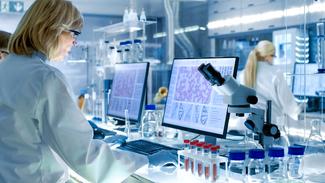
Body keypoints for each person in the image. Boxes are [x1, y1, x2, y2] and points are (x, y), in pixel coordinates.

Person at [0, 0, 146, 183]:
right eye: (74, 33)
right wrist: (145, 160)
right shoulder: (45, 78)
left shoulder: (6, 68)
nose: (75, 42)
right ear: (52, 28)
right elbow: (85, 157)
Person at [243, 40, 302, 125]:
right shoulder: (276, 73)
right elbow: (288, 103)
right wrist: (299, 110)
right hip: (271, 126)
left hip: (250, 125)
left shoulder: (244, 73)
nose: (273, 59)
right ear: (267, 56)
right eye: (273, 56)